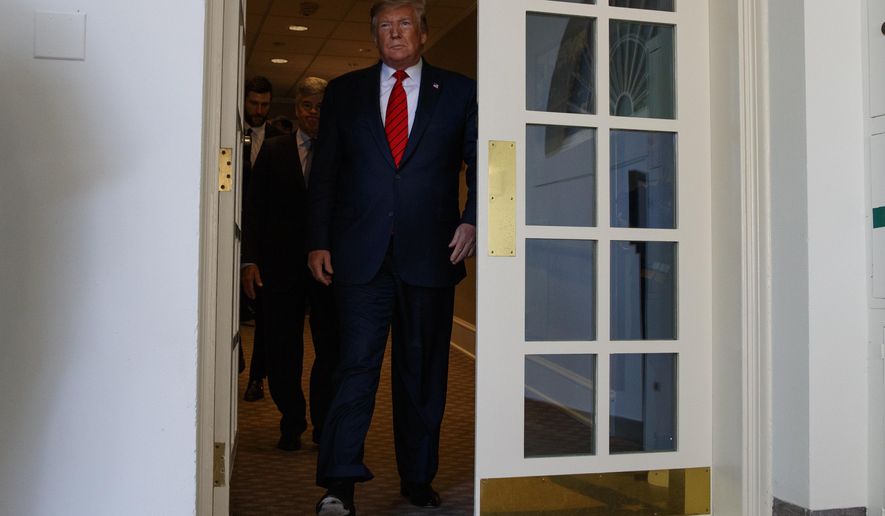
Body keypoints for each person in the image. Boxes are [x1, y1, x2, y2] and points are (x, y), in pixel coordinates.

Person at [307, 1, 476, 513]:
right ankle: (339, 485)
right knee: (353, 367)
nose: (395, 33)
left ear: (423, 33)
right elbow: (326, 173)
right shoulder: (345, 92)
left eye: (404, 24)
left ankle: (418, 475)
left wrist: (474, 219)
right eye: (385, 25)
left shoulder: (461, 91)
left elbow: (484, 158)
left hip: (431, 254)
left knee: (421, 373)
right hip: (359, 258)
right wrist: (318, 239)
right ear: (374, 34)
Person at [242, 76, 338, 450]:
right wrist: (249, 259)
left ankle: (322, 420)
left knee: (330, 350)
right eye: (307, 106)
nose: (314, 114)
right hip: (279, 266)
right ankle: (292, 416)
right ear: (296, 108)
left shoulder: (340, 152)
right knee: (282, 347)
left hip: (329, 269)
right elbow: (253, 210)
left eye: (320, 107)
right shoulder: (274, 149)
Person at [241, 76, 285, 402]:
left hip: (266, 237)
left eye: (265, 105)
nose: (259, 110)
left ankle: (257, 377)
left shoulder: (277, 138)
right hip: (231, 232)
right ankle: (236, 359)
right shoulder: (228, 131)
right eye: (254, 103)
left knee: (266, 313)